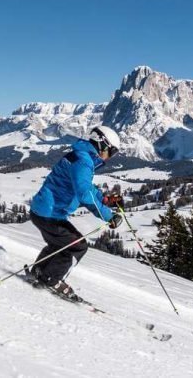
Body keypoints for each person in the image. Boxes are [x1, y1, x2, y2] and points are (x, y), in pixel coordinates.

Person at [28, 126, 123, 299]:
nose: (110, 157)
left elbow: (86, 187)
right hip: (49, 214)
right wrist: (108, 215)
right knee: (77, 246)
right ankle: (52, 279)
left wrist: (103, 199)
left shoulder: (82, 156)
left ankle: (39, 271)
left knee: (59, 245)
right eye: (112, 151)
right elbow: (84, 193)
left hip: (45, 211)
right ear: (103, 145)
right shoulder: (83, 161)